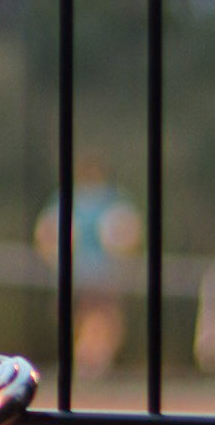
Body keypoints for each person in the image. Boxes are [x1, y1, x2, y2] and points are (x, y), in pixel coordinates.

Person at [34, 158, 142, 376]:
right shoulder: (68, 200)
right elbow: (47, 235)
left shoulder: (112, 200)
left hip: (103, 274)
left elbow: (128, 235)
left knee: (104, 318)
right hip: (78, 274)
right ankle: (89, 359)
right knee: (89, 316)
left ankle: (93, 360)